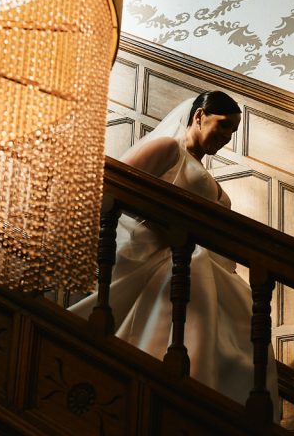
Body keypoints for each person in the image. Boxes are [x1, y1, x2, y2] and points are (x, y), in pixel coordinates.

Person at [71, 90, 279, 418]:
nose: (226, 137)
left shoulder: (207, 176)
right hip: (167, 260)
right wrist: (164, 227)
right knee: (194, 280)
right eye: (222, 126)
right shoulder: (168, 148)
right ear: (198, 116)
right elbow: (111, 189)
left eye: (232, 132)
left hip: (200, 266)